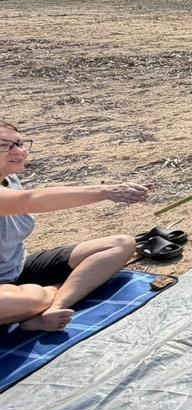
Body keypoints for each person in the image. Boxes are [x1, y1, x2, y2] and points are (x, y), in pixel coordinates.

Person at [0, 120, 148, 331]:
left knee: (121, 245)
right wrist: (105, 191)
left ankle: (53, 307)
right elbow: (29, 200)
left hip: (17, 267)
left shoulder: (8, 177)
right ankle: (48, 295)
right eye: (4, 145)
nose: (20, 151)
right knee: (19, 301)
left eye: (20, 143)